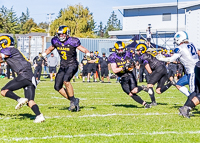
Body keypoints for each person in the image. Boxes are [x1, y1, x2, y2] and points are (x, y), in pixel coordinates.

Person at [42, 25, 90, 112]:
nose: (61, 36)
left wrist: (87, 53)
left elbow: (83, 49)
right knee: (57, 87)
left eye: (62, 34)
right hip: (63, 66)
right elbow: (50, 49)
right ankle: (74, 100)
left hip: (72, 64)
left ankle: (72, 101)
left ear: (67, 34)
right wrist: (43, 55)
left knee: (66, 81)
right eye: (59, 34)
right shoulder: (56, 41)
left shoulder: (72, 41)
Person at [0, 35, 44, 123]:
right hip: (30, 77)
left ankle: (19, 99)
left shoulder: (8, 50)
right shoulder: (12, 51)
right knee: (30, 101)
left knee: (3, 91)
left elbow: (1, 57)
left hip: (24, 74)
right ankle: (39, 116)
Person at [108, 41, 150, 108]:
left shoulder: (128, 54)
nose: (121, 51)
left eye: (122, 49)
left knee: (134, 90)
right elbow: (114, 70)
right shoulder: (113, 56)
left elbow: (135, 65)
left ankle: (142, 88)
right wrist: (123, 67)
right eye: (119, 49)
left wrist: (133, 64)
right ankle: (145, 104)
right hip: (121, 77)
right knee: (130, 94)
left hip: (129, 74)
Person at [157, 31, 199, 97]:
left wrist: (161, 58)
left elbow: (171, 59)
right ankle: (191, 99)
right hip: (192, 71)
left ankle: (192, 101)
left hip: (192, 72)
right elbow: (198, 52)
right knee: (178, 84)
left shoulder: (180, 48)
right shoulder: (192, 44)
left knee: (194, 92)